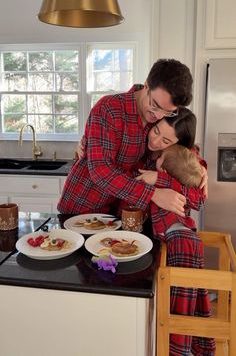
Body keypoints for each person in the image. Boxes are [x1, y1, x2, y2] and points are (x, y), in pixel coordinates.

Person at [74, 108, 215, 355]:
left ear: (179, 144)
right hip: (124, 231)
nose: (156, 141)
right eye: (156, 130)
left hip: (154, 239)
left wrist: (160, 179)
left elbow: (197, 199)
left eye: (166, 140)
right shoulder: (137, 142)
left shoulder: (183, 157)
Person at [58, 58, 194, 217]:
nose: (158, 115)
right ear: (146, 85)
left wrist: (199, 168)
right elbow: (101, 170)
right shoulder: (109, 108)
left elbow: (179, 147)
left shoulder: (161, 121)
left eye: (167, 112)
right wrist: (153, 194)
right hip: (81, 207)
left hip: (119, 213)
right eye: (155, 105)